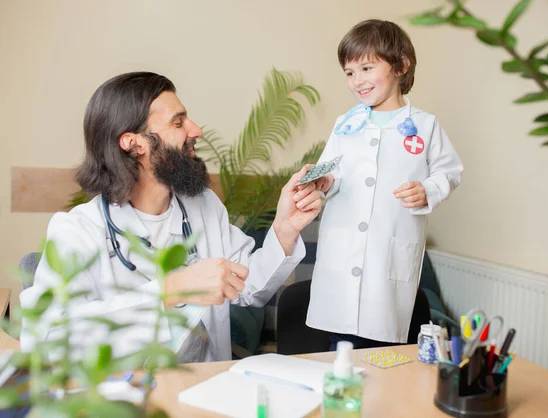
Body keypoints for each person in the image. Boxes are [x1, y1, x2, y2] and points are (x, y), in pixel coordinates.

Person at [19, 72, 322, 362]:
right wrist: (170, 290)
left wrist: (284, 228)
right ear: (133, 143)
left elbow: (248, 288)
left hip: (202, 389)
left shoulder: (203, 206)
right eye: (178, 123)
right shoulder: (78, 231)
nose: (196, 130)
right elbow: (46, 339)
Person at [305, 19, 464, 350]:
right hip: (341, 260)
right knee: (343, 351)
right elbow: (331, 174)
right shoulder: (345, 125)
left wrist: (428, 190)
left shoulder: (424, 126)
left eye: (366, 67)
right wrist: (323, 181)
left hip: (387, 262)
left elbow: (449, 171)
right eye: (349, 72)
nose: (357, 81)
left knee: (384, 354)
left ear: (401, 66)